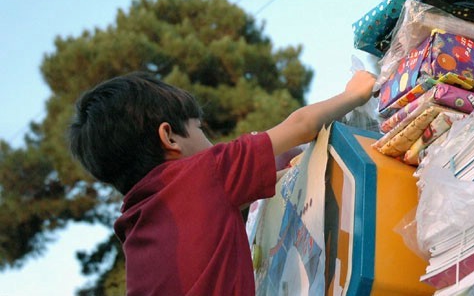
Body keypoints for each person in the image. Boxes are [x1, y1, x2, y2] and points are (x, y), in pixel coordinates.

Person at [69, 70, 376, 295]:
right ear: (169, 137)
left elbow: (210, 222)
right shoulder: (204, 173)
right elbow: (300, 126)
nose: (210, 140)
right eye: (199, 128)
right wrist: (354, 94)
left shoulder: (135, 225)